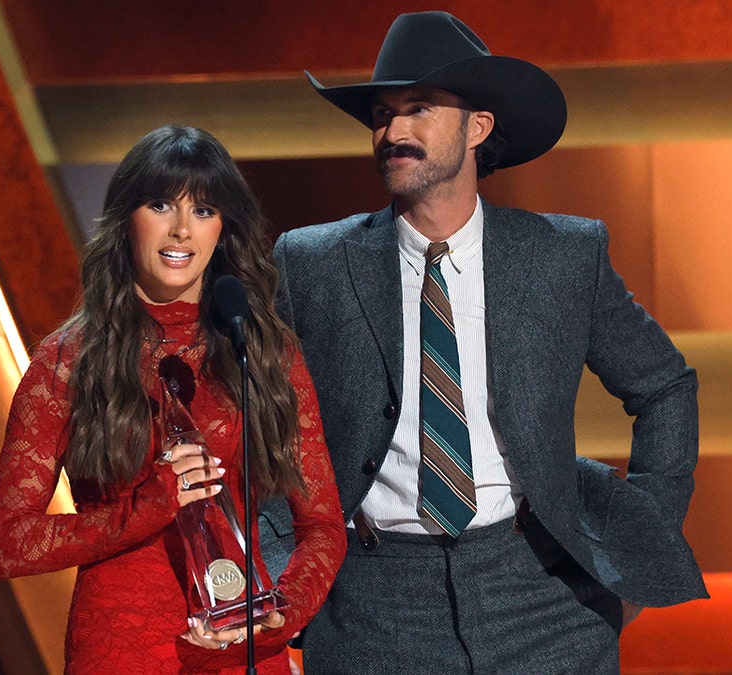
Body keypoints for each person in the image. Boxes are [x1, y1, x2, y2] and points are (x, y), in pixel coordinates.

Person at [262, 11, 706, 674]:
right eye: (383, 115)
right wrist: (284, 564)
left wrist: (641, 537)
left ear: (478, 128)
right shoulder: (311, 262)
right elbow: (247, 419)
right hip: (372, 604)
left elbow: (664, 386)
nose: (394, 132)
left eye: (419, 109)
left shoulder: (563, 255)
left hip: (542, 591)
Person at [0, 125, 346, 674]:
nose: (181, 229)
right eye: (160, 206)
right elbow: (7, 544)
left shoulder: (262, 350)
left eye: (203, 210)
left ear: (224, 228)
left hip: (242, 647)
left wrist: (282, 613)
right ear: (126, 219)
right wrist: (145, 507)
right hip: (122, 648)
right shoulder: (67, 361)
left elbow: (322, 527)